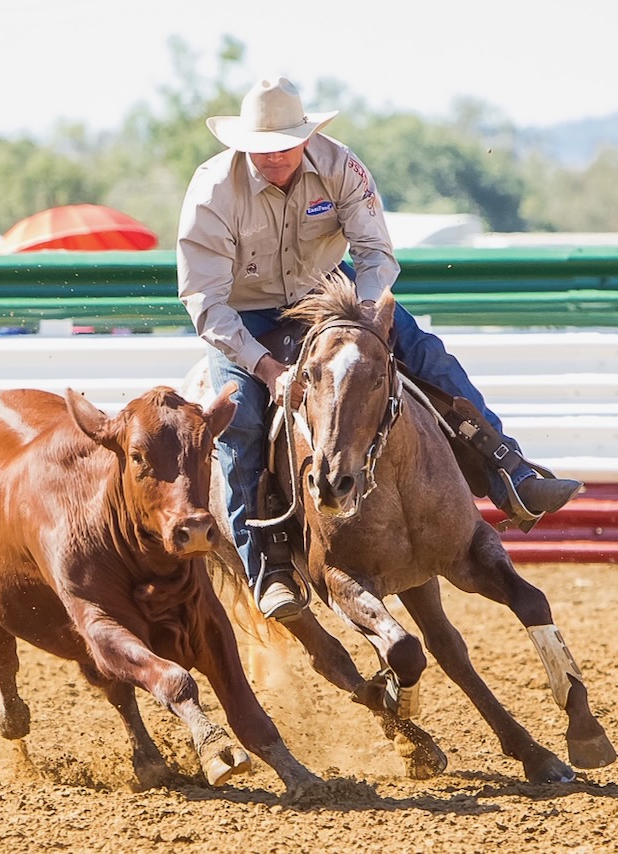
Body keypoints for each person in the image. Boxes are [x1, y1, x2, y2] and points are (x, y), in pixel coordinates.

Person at [176, 76, 582, 622]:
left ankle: (510, 474)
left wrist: (367, 320)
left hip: (331, 291)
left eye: (285, 145)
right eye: (262, 149)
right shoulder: (212, 192)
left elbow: (374, 252)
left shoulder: (341, 166)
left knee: (428, 357)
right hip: (244, 312)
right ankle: (268, 565)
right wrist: (266, 367)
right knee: (241, 421)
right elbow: (205, 300)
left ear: (306, 137)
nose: (274, 157)